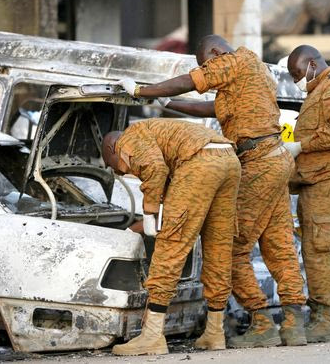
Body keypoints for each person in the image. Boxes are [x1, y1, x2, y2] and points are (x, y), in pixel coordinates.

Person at [118, 35, 307, 348]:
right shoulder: (254, 70)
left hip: (257, 161)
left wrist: (141, 90)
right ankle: (293, 322)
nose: (208, 69)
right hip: (275, 159)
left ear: (218, 53)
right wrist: (167, 103)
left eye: (208, 63)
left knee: (228, 247)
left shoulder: (235, 61)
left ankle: (261, 321)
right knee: (279, 242)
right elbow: (212, 108)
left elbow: (189, 81)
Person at [102, 119, 241, 355]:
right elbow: (171, 192)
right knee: (219, 246)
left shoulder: (129, 137)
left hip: (199, 162)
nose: (121, 172)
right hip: (228, 159)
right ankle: (214, 333)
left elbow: (154, 168)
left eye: (115, 166)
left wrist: (149, 211)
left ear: (112, 149)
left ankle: (152, 336)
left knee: (171, 247)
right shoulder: (161, 135)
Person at [284, 45, 330, 343]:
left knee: (320, 248)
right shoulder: (322, 89)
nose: (296, 80)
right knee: (327, 249)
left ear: (312, 64)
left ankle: (322, 321)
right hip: (320, 179)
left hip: (329, 179)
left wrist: (302, 145)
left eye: (297, 73)